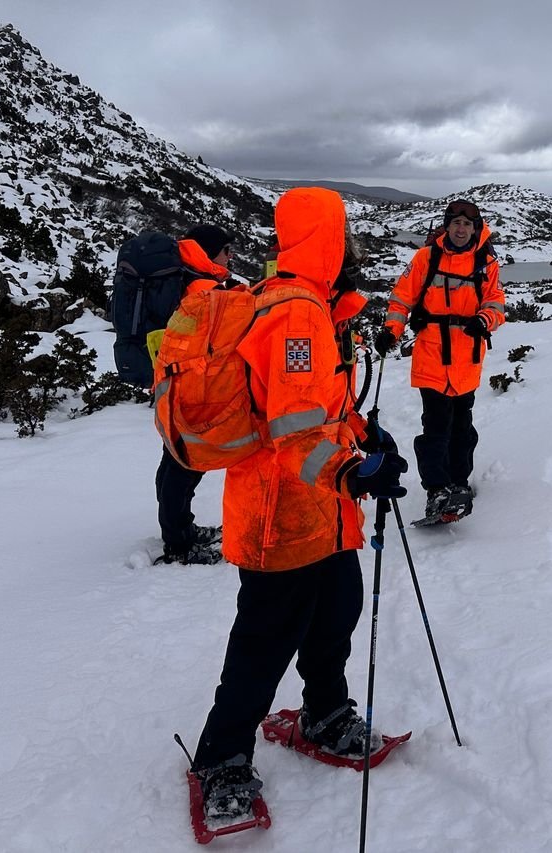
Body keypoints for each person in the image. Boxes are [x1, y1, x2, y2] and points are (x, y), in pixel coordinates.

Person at [190, 187, 409, 823]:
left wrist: (364, 437)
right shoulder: (294, 315)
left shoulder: (313, 307)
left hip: (324, 514)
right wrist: (353, 473)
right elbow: (292, 433)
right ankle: (222, 757)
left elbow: (318, 408)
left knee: (336, 613)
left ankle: (325, 715)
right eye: (344, 237)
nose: (354, 250)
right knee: (264, 640)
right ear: (328, 242)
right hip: (278, 516)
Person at [374, 198, 505, 519]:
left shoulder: (486, 263)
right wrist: (391, 330)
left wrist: (484, 320)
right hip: (431, 355)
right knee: (435, 427)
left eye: (467, 224)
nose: (461, 229)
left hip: (467, 357)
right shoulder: (425, 258)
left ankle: (459, 483)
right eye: (456, 223)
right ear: (446, 226)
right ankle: (437, 489)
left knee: (462, 427)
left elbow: (496, 303)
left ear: (476, 229)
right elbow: (401, 298)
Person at [155, 224, 237, 565]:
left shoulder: (188, 279)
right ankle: (178, 544)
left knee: (173, 460)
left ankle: (181, 529)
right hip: (191, 387)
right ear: (208, 252)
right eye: (225, 250)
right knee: (185, 464)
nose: (230, 256)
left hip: (173, 384)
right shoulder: (203, 288)